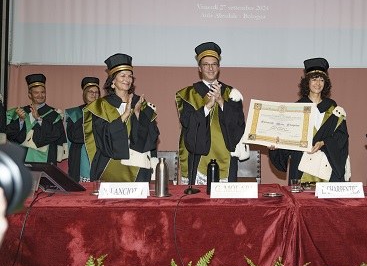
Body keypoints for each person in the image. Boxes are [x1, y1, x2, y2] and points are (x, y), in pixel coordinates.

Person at [269, 58, 350, 183]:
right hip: (301, 166)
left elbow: (342, 137)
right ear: (307, 82)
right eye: (314, 79)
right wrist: (276, 147)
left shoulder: (333, 109)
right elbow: (288, 138)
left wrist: (323, 143)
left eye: (321, 80)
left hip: (327, 165)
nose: (318, 83)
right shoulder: (296, 109)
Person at [175, 42, 246, 185]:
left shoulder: (231, 93)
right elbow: (188, 123)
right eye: (206, 65)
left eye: (214, 64)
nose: (210, 68)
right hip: (198, 155)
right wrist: (207, 106)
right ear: (199, 68)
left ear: (219, 67)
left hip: (226, 154)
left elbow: (238, 125)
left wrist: (221, 102)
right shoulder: (186, 94)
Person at [83, 53, 159, 182]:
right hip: (110, 167)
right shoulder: (100, 106)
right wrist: (123, 116)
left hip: (138, 167)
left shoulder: (140, 102)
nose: (127, 79)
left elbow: (152, 137)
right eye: (122, 76)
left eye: (130, 76)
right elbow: (102, 138)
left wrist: (138, 114)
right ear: (113, 81)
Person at [5, 74, 68, 163]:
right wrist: (21, 120)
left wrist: (39, 119)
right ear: (29, 95)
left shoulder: (54, 114)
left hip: (46, 159)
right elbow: (11, 135)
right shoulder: (20, 112)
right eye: (36, 92)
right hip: (22, 159)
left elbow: (56, 135)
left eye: (43, 92)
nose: (40, 95)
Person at [65, 77, 100, 182]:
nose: (94, 94)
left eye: (96, 92)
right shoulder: (75, 113)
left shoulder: (104, 113)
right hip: (80, 154)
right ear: (84, 93)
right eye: (90, 91)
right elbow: (73, 136)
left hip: (99, 154)